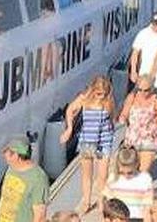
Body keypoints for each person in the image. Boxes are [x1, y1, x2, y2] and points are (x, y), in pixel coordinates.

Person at [60, 76, 117, 213]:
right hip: (87, 139)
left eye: (104, 94)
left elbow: (112, 118)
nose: (101, 96)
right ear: (93, 90)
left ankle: (101, 202)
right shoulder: (84, 99)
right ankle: (86, 201)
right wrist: (69, 129)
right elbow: (69, 110)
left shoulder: (108, 101)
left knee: (102, 175)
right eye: (98, 94)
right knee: (87, 174)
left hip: (104, 139)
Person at [119, 75, 157, 174]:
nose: (143, 93)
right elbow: (124, 113)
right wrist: (122, 118)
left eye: (146, 90)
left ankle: (141, 187)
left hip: (149, 139)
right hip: (132, 139)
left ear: (152, 88)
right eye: (140, 90)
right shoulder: (132, 97)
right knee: (132, 170)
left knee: (143, 171)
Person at [0, 136, 50, 222]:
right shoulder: (11, 168)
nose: (3, 155)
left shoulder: (38, 178)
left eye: (5, 152)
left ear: (16, 156)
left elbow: (40, 217)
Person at [102, 147, 153, 221]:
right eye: (122, 172)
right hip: (118, 218)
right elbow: (108, 205)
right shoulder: (113, 178)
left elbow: (147, 208)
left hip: (136, 218)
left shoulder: (144, 179)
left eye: (130, 173)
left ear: (136, 164)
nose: (126, 176)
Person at [129, 12, 157, 86]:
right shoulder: (143, 33)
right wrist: (133, 71)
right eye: (154, 24)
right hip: (145, 75)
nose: (156, 27)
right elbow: (135, 53)